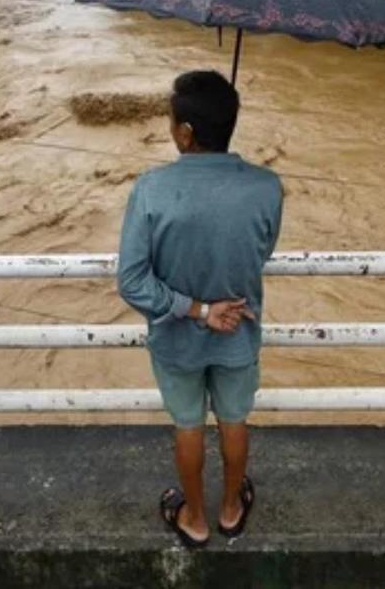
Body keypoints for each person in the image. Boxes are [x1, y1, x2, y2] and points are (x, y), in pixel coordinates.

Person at [117, 70, 283, 549]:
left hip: (177, 338)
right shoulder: (268, 186)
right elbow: (261, 251)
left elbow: (131, 280)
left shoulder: (150, 188)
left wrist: (195, 308)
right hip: (239, 331)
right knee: (234, 420)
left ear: (186, 132)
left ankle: (194, 518)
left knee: (188, 426)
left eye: (172, 122)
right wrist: (218, 304)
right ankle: (231, 509)